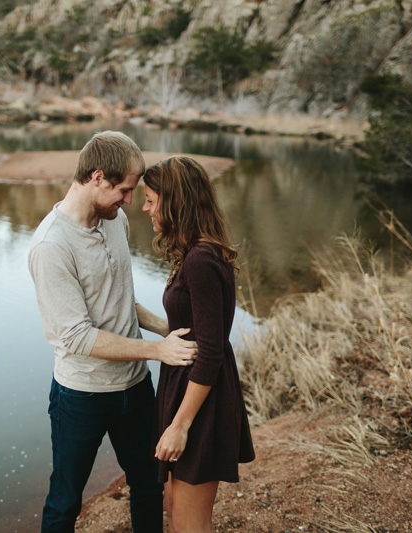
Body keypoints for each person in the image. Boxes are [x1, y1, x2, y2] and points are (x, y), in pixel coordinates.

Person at [28, 131, 198, 533]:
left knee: (148, 486)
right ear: (97, 177)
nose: (130, 202)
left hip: (135, 390)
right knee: (65, 501)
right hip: (81, 397)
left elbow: (121, 299)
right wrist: (159, 351)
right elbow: (77, 337)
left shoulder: (114, 220)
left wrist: (169, 328)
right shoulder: (52, 246)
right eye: (123, 190)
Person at [141, 155, 255, 532]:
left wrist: (180, 426)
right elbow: (195, 329)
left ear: (175, 202)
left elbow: (209, 352)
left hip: (200, 401)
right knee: (176, 506)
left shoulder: (200, 261)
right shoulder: (197, 253)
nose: (145, 208)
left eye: (151, 200)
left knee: (190, 523)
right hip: (189, 390)